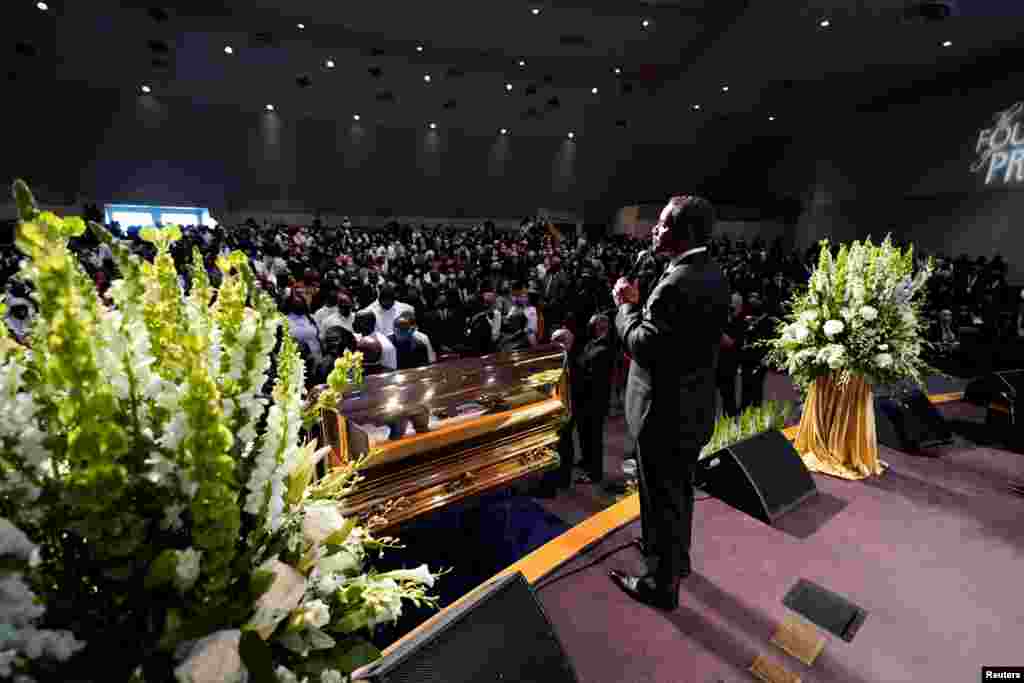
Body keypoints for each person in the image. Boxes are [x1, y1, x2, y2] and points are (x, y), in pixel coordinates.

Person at [609, 195, 729, 610]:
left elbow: (644, 345)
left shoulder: (678, 283)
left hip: (663, 415)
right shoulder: (711, 272)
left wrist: (626, 306)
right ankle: (674, 559)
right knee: (677, 493)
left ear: (685, 232)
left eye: (661, 223)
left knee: (660, 496)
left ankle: (660, 584)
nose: (654, 230)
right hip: (692, 408)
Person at [573, 314, 614, 485]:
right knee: (584, 434)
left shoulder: (604, 349)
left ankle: (594, 472)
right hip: (585, 400)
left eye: (592, 325)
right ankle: (586, 460)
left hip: (594, 402)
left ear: (600, 327)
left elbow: (593, 376)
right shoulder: (592, 343)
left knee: (593, 438)